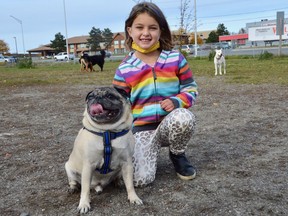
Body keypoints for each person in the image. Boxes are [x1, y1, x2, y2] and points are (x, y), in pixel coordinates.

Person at [112, 2, 198, 187]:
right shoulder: (124, 68)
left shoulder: (175, 58)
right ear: (130, 30)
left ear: (161, 30)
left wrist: (177, 101)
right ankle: (143, 156)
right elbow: (119, 105)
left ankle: (177, 154)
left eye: (152, 27)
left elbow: (191, 88)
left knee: (184, 117)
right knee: (139, 180)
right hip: (142, 130)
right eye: (139, 27)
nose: (146, 33)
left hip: (171, 124)